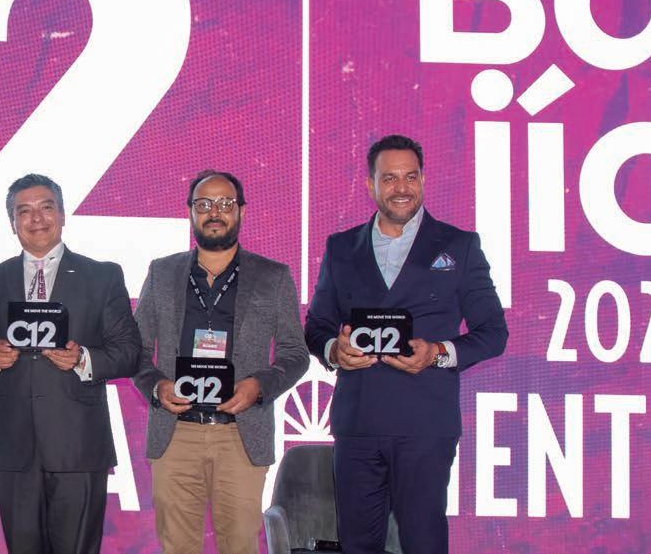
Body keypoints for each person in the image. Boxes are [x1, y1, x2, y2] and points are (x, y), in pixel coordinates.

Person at [305, 134, 508, 554]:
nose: (402, 188)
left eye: (410, 177)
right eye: (390, 178)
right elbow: (317, 325)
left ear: (423, 180)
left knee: (423, 543)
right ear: (370, 185)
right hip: (358, 424)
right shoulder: (341, 248)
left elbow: (493, 332)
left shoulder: (459, 245)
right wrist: (333, 351)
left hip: (425, 425)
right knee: (357, 546)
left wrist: (438, 354)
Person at [0, 174, 140, 554]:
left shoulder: (102, 275)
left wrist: (83, 359)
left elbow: (128, 352)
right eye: (23, 211)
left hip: (79, 445)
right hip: (13, 447)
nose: (36, 218)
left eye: (46, 207)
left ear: (62, 214)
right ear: (12, 222)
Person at [133, 170, 309, 554]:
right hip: (176, 433)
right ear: (191, 212)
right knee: (177, 548)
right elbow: (136, 349)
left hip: (240, 435)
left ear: (242, 211)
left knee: (240, 547)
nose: (215, 212)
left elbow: (296, 353)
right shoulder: (162, 272)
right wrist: (157, 387)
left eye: (225, 203)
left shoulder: (273, 276)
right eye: (204, 204)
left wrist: (259, 386)